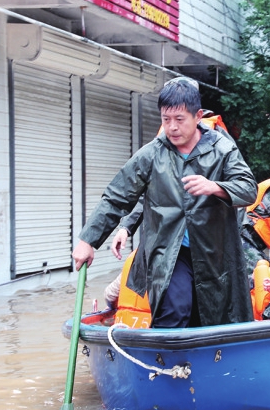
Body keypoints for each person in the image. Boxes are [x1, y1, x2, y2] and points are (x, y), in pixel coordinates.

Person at [72, 77, 258, 327]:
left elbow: (248, 189)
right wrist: (87, 241)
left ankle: (203, 364)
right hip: (169, 251)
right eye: (166, 119)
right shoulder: (152, 154)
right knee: (174, 310)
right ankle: (165, 364)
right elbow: (117, 197)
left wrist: (216, 187)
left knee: (214, 317)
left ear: (198, 115)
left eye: (179, 119)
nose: (172, 127)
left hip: (215, 252)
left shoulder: (222, 149)